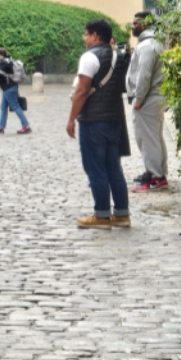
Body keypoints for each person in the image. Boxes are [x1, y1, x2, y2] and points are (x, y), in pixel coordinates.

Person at [67, 19, 131, 229]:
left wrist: (71, 119)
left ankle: (102, 215)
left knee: (95, 168)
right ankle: (121, 213)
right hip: (114, 119)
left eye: (86, 35)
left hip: (93, 120)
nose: (84, 38)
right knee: (113, 168)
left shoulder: (89, 57)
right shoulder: (117, 57)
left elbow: (83, 90)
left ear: (95, 36)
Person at [128, 11, 168, 192]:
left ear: (145, 25)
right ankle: (159, 173)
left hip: (148, 98)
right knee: (156, 137)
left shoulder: (146, 46)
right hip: (156, 96)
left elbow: (144, 74)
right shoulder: (156, 43)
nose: (132, 26)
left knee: (148, 139)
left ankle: (155, 176)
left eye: (135, 23)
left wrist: (139, 99)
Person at [0, 48, 31, 135]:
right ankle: (1, 127)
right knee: (3, 107)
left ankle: (26, 126)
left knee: (15, 106)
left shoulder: (5, 62)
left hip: (9, 87)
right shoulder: (6, 61)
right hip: (7, 88)